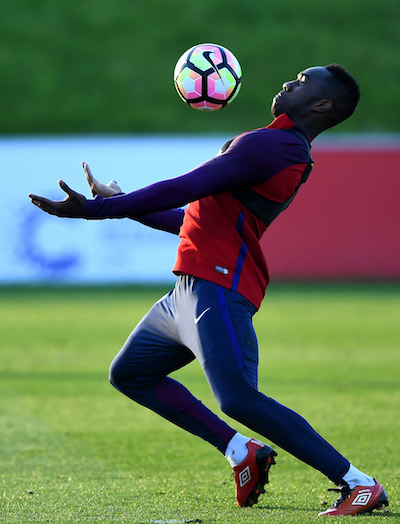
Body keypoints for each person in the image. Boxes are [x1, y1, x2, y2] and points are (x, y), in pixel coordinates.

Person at [29, 64, 389, 517]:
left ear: (322, 104)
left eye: (302, 81)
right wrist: (122, 207)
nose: (287, 83)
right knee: (131, 374)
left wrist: (101, 209)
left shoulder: (273, 145)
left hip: (217, 286)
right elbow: (190, 219)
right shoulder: (278, 147)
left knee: (237, 397)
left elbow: (185, 187)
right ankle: (242, 451)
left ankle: (359, 484)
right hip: (189, 290)